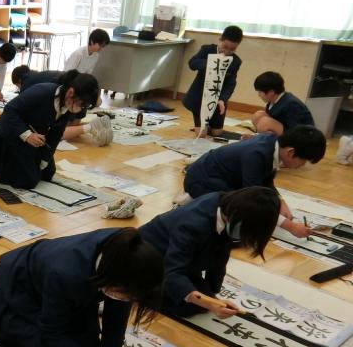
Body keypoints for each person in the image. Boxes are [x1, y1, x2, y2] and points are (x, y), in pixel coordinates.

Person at [0, 227, 163, 347]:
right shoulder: (66, 272)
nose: (128, 300)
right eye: (126, 295)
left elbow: (119, 302)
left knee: (87, 344)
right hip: (16, 288)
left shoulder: (125, 252)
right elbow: (52, 332)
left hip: (56, 286)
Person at [139, 187, 281, 319]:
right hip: (146, 260)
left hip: (180, 258)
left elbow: (220, 256)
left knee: (202, 298)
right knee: (188, 306)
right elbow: (172, 271)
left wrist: (213, 295)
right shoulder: (193, 225)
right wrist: (210, 303)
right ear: (238, 217)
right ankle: (139, 291)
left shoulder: (226, 206)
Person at [181, 126, 326, 238]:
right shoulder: (256, 155)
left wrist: (280, 202)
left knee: (253, 210)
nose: (302, 165)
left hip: (222, 176)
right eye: (303, 161)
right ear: (291, 152)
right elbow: (254, 200)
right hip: (201, 181)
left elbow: (266, 180)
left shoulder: (272, 143)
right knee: (243, 216)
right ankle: (194, 202)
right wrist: (291, 227)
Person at [0, 71, 99, 189]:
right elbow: (10, 110)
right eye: (81, 104)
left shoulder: (68, 105)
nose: (81, 109)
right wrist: (27, 135)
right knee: (29, 180)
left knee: (48, 173)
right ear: (71, 93)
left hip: (34, 137)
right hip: (12, 134)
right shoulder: (43, 92)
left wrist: (45, 159)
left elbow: (56, 133)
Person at [181, 25, 243, 137]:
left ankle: (211, 126)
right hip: (200, 98)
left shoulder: (235, 61)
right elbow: (192, 64)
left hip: (218, 100)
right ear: (220, 40)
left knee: (217, 133)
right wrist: (210, 63)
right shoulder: (207, 49)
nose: (227, 51)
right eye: (225, 47)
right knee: (201, 134)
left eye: (232, 49)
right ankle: (203, 125)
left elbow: (231, 83)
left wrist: (223, 99)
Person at [252, 71, 314, 136]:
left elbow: (296, 131)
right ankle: (260, 137)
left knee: (264, 123)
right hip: (286, 130)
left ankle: (263, 139)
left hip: (302, 136)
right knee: (258, 115)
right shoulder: (273, 101)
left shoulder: (292, 104)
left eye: (260, 92)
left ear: (271, 92)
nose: (259, 95)